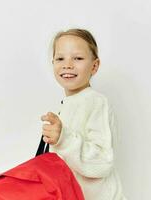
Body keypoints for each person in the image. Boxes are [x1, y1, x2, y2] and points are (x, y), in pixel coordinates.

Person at [40, 28, 127, 200]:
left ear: (94, 66)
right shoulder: (67, 106)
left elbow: (103, 161)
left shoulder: (95, 102)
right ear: (53, 64)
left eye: (78, 58)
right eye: (60, 58)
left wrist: (63, 138)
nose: (67, 64)